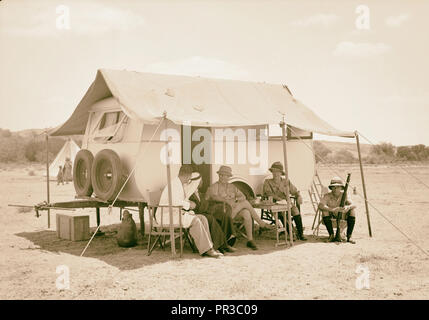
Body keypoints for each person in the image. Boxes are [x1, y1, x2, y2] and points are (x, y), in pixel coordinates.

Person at [159, 164, 223, 258]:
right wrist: (189, 205)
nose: (189, 180)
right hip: (167, 216)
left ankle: (209, 247)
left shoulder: (179, 183)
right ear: (187, 175)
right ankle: (206, 249)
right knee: (195, 220)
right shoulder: (174, 185)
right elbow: (175, 201)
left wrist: (188, 203)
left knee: (202, 218)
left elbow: (180, 200)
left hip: (175, 213)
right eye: (189, 177)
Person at [205, 165, 272, 251]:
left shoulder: (232, 187)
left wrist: (235, 200)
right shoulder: (214, 186)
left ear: (228, 177)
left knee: (246, 213)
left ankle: (250, 240)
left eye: (224, 175)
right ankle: (261, 223)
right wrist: (226, 200)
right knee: (245, 204)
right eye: (221, 175)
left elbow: (243, 196)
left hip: (233, 211)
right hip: (224, 216)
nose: (222, 177)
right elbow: (214, 197)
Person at [187, 172, 237, 254]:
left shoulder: (198, 192)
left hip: (204, 211)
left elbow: (204, 203)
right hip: (197, 214)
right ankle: (220, 246)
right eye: (201, 181)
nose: (202, 182)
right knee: (211, 219)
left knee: (223, 216)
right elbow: (196, 207)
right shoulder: (190, 193)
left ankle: (226, 243)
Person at [262, 161, 307, 241]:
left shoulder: (286, 181)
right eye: (274, 171)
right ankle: (291, 234)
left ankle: (300, 234)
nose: (275, 173)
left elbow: (294, 191)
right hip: (275, 204)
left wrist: (298, 196)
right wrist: (279, 199)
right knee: (282, 214)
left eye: (277, 171)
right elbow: (268, 193)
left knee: (296, 211)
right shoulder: (268, 182)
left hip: (287, 203)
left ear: (280, 173)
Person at [318, 176, 357, 244]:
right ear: (331, 188)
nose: (336, 189)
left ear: (341, 187)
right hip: (331, 216)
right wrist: (333, 210)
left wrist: (348, 207)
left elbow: (354, 205)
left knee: (352, 211)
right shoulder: (327, 195)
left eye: (338, 187)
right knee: (325, 211)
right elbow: (320, 205)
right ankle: (331, 235)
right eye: (334, 187)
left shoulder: (345, 195)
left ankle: (349, 236)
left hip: (343, 216)